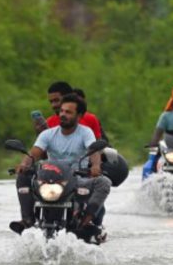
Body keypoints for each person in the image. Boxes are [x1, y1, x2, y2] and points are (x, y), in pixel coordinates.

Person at [13, 93, 110, 238]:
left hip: (77, 178)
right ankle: (27, 219)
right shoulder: (47, 134)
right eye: (62, 111)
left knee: (104, 182)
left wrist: (95, 166)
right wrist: (24, 164)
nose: (63, 114)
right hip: (50, 178)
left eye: (68, 112)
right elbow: (34, 153)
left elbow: (93, 151)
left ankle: (86, 221)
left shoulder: (85, 132)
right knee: (22, 177)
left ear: (79, 116)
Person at [35, 80, 103, 138]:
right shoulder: (49, 122)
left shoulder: (90, 119)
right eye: (51, 102)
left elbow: (97, 146)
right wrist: (40, 134)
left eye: (56, 100)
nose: (53, 105)